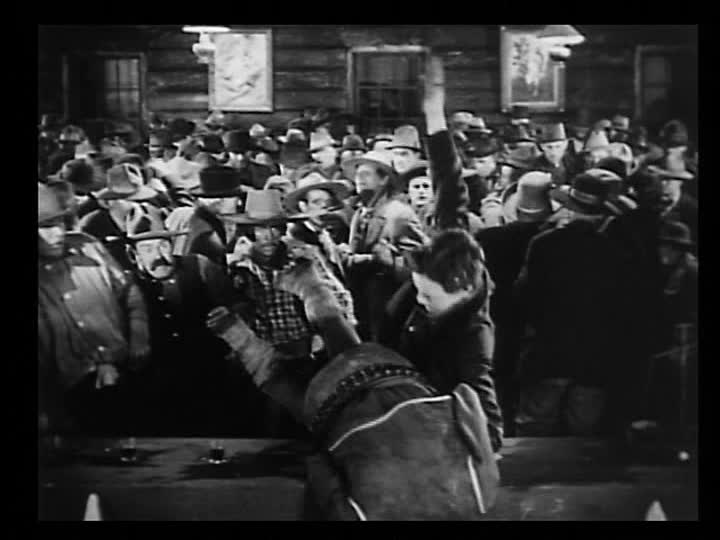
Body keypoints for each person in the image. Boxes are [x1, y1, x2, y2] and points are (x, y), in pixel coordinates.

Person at [206, 257, 499, 520]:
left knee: (346, 345)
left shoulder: (479, 493)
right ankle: (238, 335)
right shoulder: (364, 515)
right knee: (282, 381)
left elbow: (467, 399)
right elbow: (320, 468)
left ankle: (311, 288)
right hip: (337, 411)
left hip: (398, 382)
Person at [513, 171, 640, 437]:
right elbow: (623, 311)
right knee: (583, 434)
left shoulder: (543, 245)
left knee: (535, 430)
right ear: (601, 216)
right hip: (593, 359)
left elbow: (524, 297)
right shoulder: (614, 253)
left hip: (548, 353)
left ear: (569, 209)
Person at [123, 207, 251, 435]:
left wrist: (229, 314)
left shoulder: (200, 266)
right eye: (148, 249)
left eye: (163, 246)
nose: (159, 256)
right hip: (156, 382)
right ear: (134, 255)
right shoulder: (126, 285)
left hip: (210, 376)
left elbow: (240, 304)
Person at [378, 228, 504, 453]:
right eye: (417, 289)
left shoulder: (474, 338)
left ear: (463, 289)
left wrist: (485, 436)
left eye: (428, 296)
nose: (418, 299)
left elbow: (487, 423)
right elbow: (387, 328)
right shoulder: (427, 280)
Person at [38, 183, 150, 436]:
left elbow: (129, 291)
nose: (58, 232)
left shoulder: (89, 247)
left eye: (61, 222)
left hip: (127, 374)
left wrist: (140, 335)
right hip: (67, 397)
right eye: (45, 226)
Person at [476, 172, 556, 435]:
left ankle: (502, 432)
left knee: (501, 383)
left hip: (499, 322)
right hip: (542, 327)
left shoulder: (488, 239)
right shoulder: (555, 240)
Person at [342, 150, 425, 340]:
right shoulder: (359, 214)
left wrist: (386, 261)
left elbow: (418, 262)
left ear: (384, 179)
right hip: (362, 302)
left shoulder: (399, 214)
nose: (359, 179)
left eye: (366, 174)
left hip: (388, 303)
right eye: (357, 174)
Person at [79, 163, 159, 272]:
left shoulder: (150, 214)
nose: (134, 204)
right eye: (126, 199)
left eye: (139, 199)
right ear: (108, 202)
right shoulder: (92, 226)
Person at [167, 165, 244, 267]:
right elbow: (219, 264)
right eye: (235, 198)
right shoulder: (205, 232)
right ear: (218, 201)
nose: (239, 203)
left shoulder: (204, 219)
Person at [284, 172, 351, 283]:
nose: (323, 206)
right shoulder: (296, 234)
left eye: (327, 202)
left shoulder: (338, 225)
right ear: (303, 206)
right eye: (317, 202)